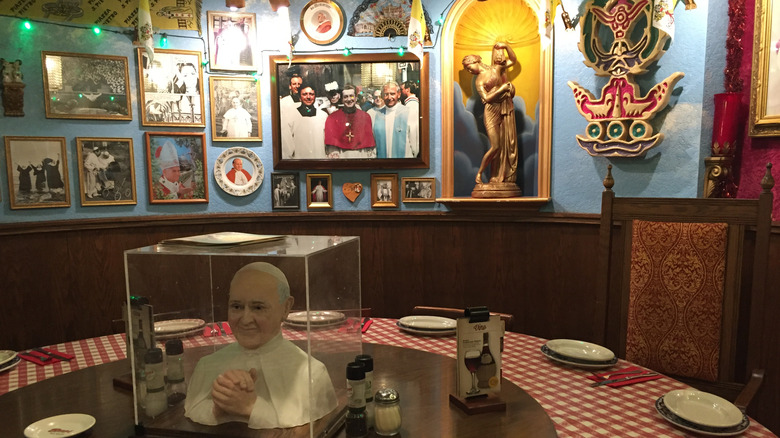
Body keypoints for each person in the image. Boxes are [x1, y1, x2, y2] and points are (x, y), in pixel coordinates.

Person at [184, 262, 338, 428]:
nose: (245, 319)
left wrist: (250, 407)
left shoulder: (311, 374)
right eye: (237, 306)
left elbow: (305, 428)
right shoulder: (208, 365)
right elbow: (192, 412)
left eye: (258, 307)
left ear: (286, 308)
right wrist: (219, 407)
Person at [462, 42, 519, 186]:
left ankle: (501, 175)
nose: (469, 72)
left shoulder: (496, 68)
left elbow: (513, 60)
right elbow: (486, 98)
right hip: (491, 112)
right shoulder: (479, 81)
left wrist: (505, 46)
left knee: (505, 142)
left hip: (503, 108)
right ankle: (479, 174)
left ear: (475, 61)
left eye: (469, 68)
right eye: (467, 70)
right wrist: (503, 88)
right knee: (495, 146)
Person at [324, 85, 376, 158]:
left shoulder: (365, 117)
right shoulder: (332, 118)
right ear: (342, 99)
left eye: (351, 96)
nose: (349, 99)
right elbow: (332, 148)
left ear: (356, 98)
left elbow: (369, 146)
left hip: (360, 156)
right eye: (345, 97)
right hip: (341, 157)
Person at [281, 82, 327, 159]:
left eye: (311, 94)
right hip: (299, 161)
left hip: (319, 160)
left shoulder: (323, 115)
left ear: (315, 96)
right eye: (304, 94)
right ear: (300, 97)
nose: (308, 97)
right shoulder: (290, 115)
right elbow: (287, 145)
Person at [372, 81, 418, 158]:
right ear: (382, 96)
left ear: (399, 94)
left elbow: (415, 144)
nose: (389, 98)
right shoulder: (376, 115)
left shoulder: (409, 113)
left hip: (404, 164)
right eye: (386, 94)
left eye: (392, 94)